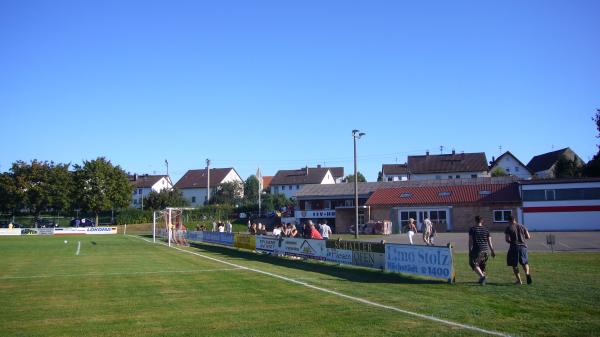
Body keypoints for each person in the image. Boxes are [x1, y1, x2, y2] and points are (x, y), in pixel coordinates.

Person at [505, 215, 532, 285]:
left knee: (514, 265)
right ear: (515, 219)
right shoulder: (522, 226)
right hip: (523, 247)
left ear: (509, 221)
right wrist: (522, 238)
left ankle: (519, 281)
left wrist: (512, 241)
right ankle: (527, 273)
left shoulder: (509, 227)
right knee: (525, 263)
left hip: (514, 247)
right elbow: (528, 237)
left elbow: (507, 239)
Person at [468, 216, 496, 285]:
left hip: (477, 250)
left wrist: (470, 250)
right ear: (482, 221)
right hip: (485, 250)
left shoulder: (472, 229)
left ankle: (482, 276)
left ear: (475, 220)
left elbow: (470, 241)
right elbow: (490, 242)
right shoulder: (486, 230)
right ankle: (482, 280)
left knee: (473, 263)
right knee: (482, 265)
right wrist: (492, 251)